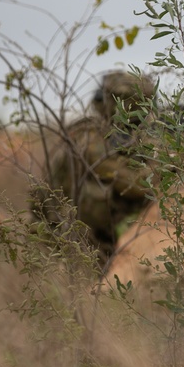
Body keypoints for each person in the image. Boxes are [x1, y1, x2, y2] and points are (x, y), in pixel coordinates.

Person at [33, 70, 156, 270]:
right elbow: (137, 186)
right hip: (70, 240)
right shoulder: (91, 139)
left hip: (81, 237)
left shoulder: (111, 134)